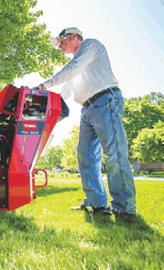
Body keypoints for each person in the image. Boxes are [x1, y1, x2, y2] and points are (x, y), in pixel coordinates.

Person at [34, 27, 136, 216]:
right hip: (87, 109)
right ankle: (97, 203)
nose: (60, 46)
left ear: (74, 37)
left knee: (114, 153)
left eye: (62, 42)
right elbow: (65, 92)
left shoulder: (90, 45)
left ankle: (124, 207)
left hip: (106, 100)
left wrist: (44, 84)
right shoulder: (76, 65)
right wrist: (41, 97)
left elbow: (72, 70)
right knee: (85, 156)